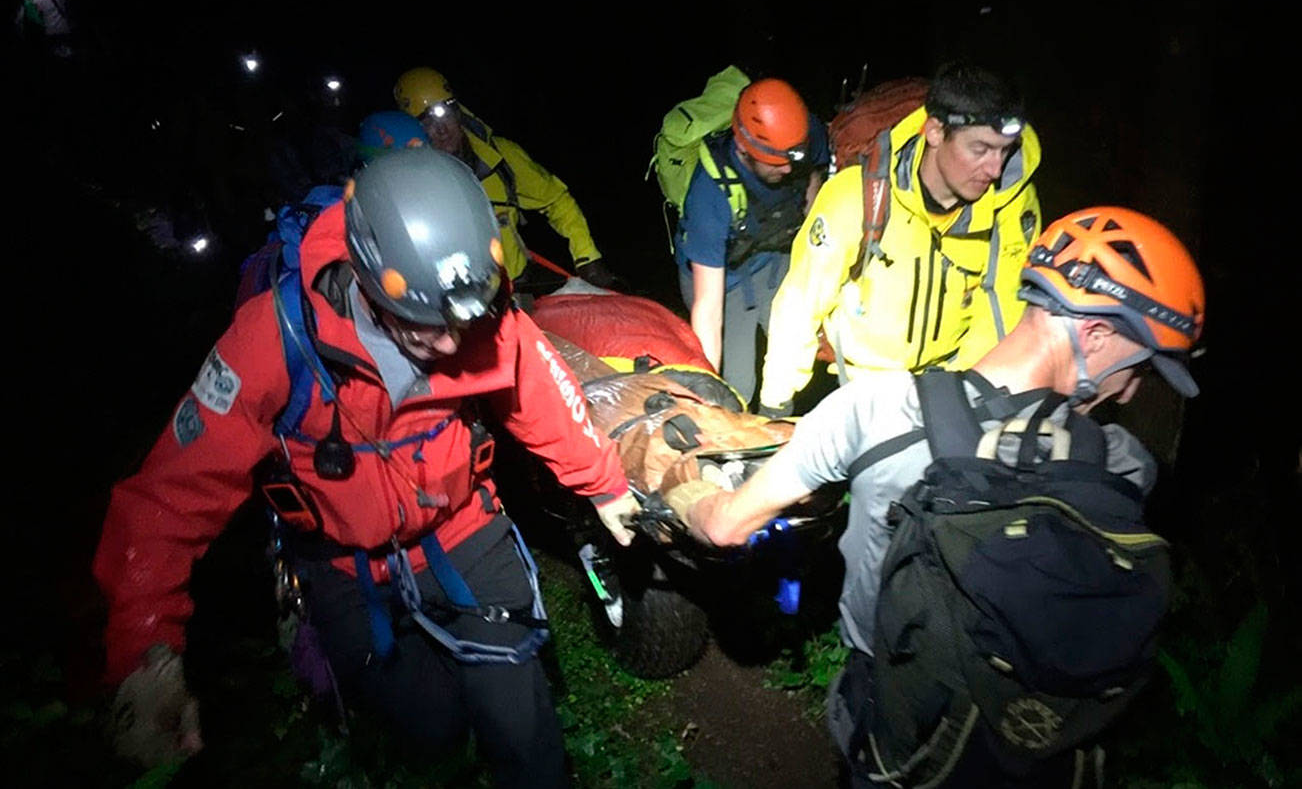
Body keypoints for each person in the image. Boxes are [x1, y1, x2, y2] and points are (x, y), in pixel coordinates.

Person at [95, 148, 641, 786]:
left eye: (461, 324)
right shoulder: (273, 340)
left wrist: (604, 486)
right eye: (423, 326)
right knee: (430, 731)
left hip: (464, 533)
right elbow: (169, 496)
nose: (450, 344)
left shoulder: (478, 312)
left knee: (522, 729)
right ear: (366, 278)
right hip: (347, 570)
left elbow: (540, 394)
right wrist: (144, 650)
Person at [666, 207, 1205, 786]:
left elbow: (725, 527)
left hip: (898, 729)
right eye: (1141, 366)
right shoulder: (1123, 467)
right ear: (1095, 334)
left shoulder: (876, 412)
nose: (1131, 388)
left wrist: (684, 489)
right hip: (1040, 751)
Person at [758, 63, 1041, 417]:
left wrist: (980, 401)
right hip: (866, 389)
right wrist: (774, 405)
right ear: (935, 131)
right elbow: (801, 302)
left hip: (954, 392)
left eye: (1005, 150)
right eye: (980, 149)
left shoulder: (1012, 205)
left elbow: (1003, 309)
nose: (995, 169)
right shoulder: (854, 197)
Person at [675, 77, 829, 408]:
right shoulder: (708, 196)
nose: (789, 168)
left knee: (790, 363)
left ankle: (777, 424)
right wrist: (706, 391)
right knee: (736, 386)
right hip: (725, 281)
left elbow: (815, 171)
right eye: (777, 162)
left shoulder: (801, 133)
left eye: (793, 157)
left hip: (774, 258)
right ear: (744, 148)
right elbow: (708, 308)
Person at [393, 67, 615, 289]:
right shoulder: (410, 184)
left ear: (458, 112)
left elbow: (557, 200)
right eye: (426, 122)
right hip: (455, 303)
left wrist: (587, 258)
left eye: (444, 113)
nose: (441, 129)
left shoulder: (501, 157)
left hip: (519, 290)